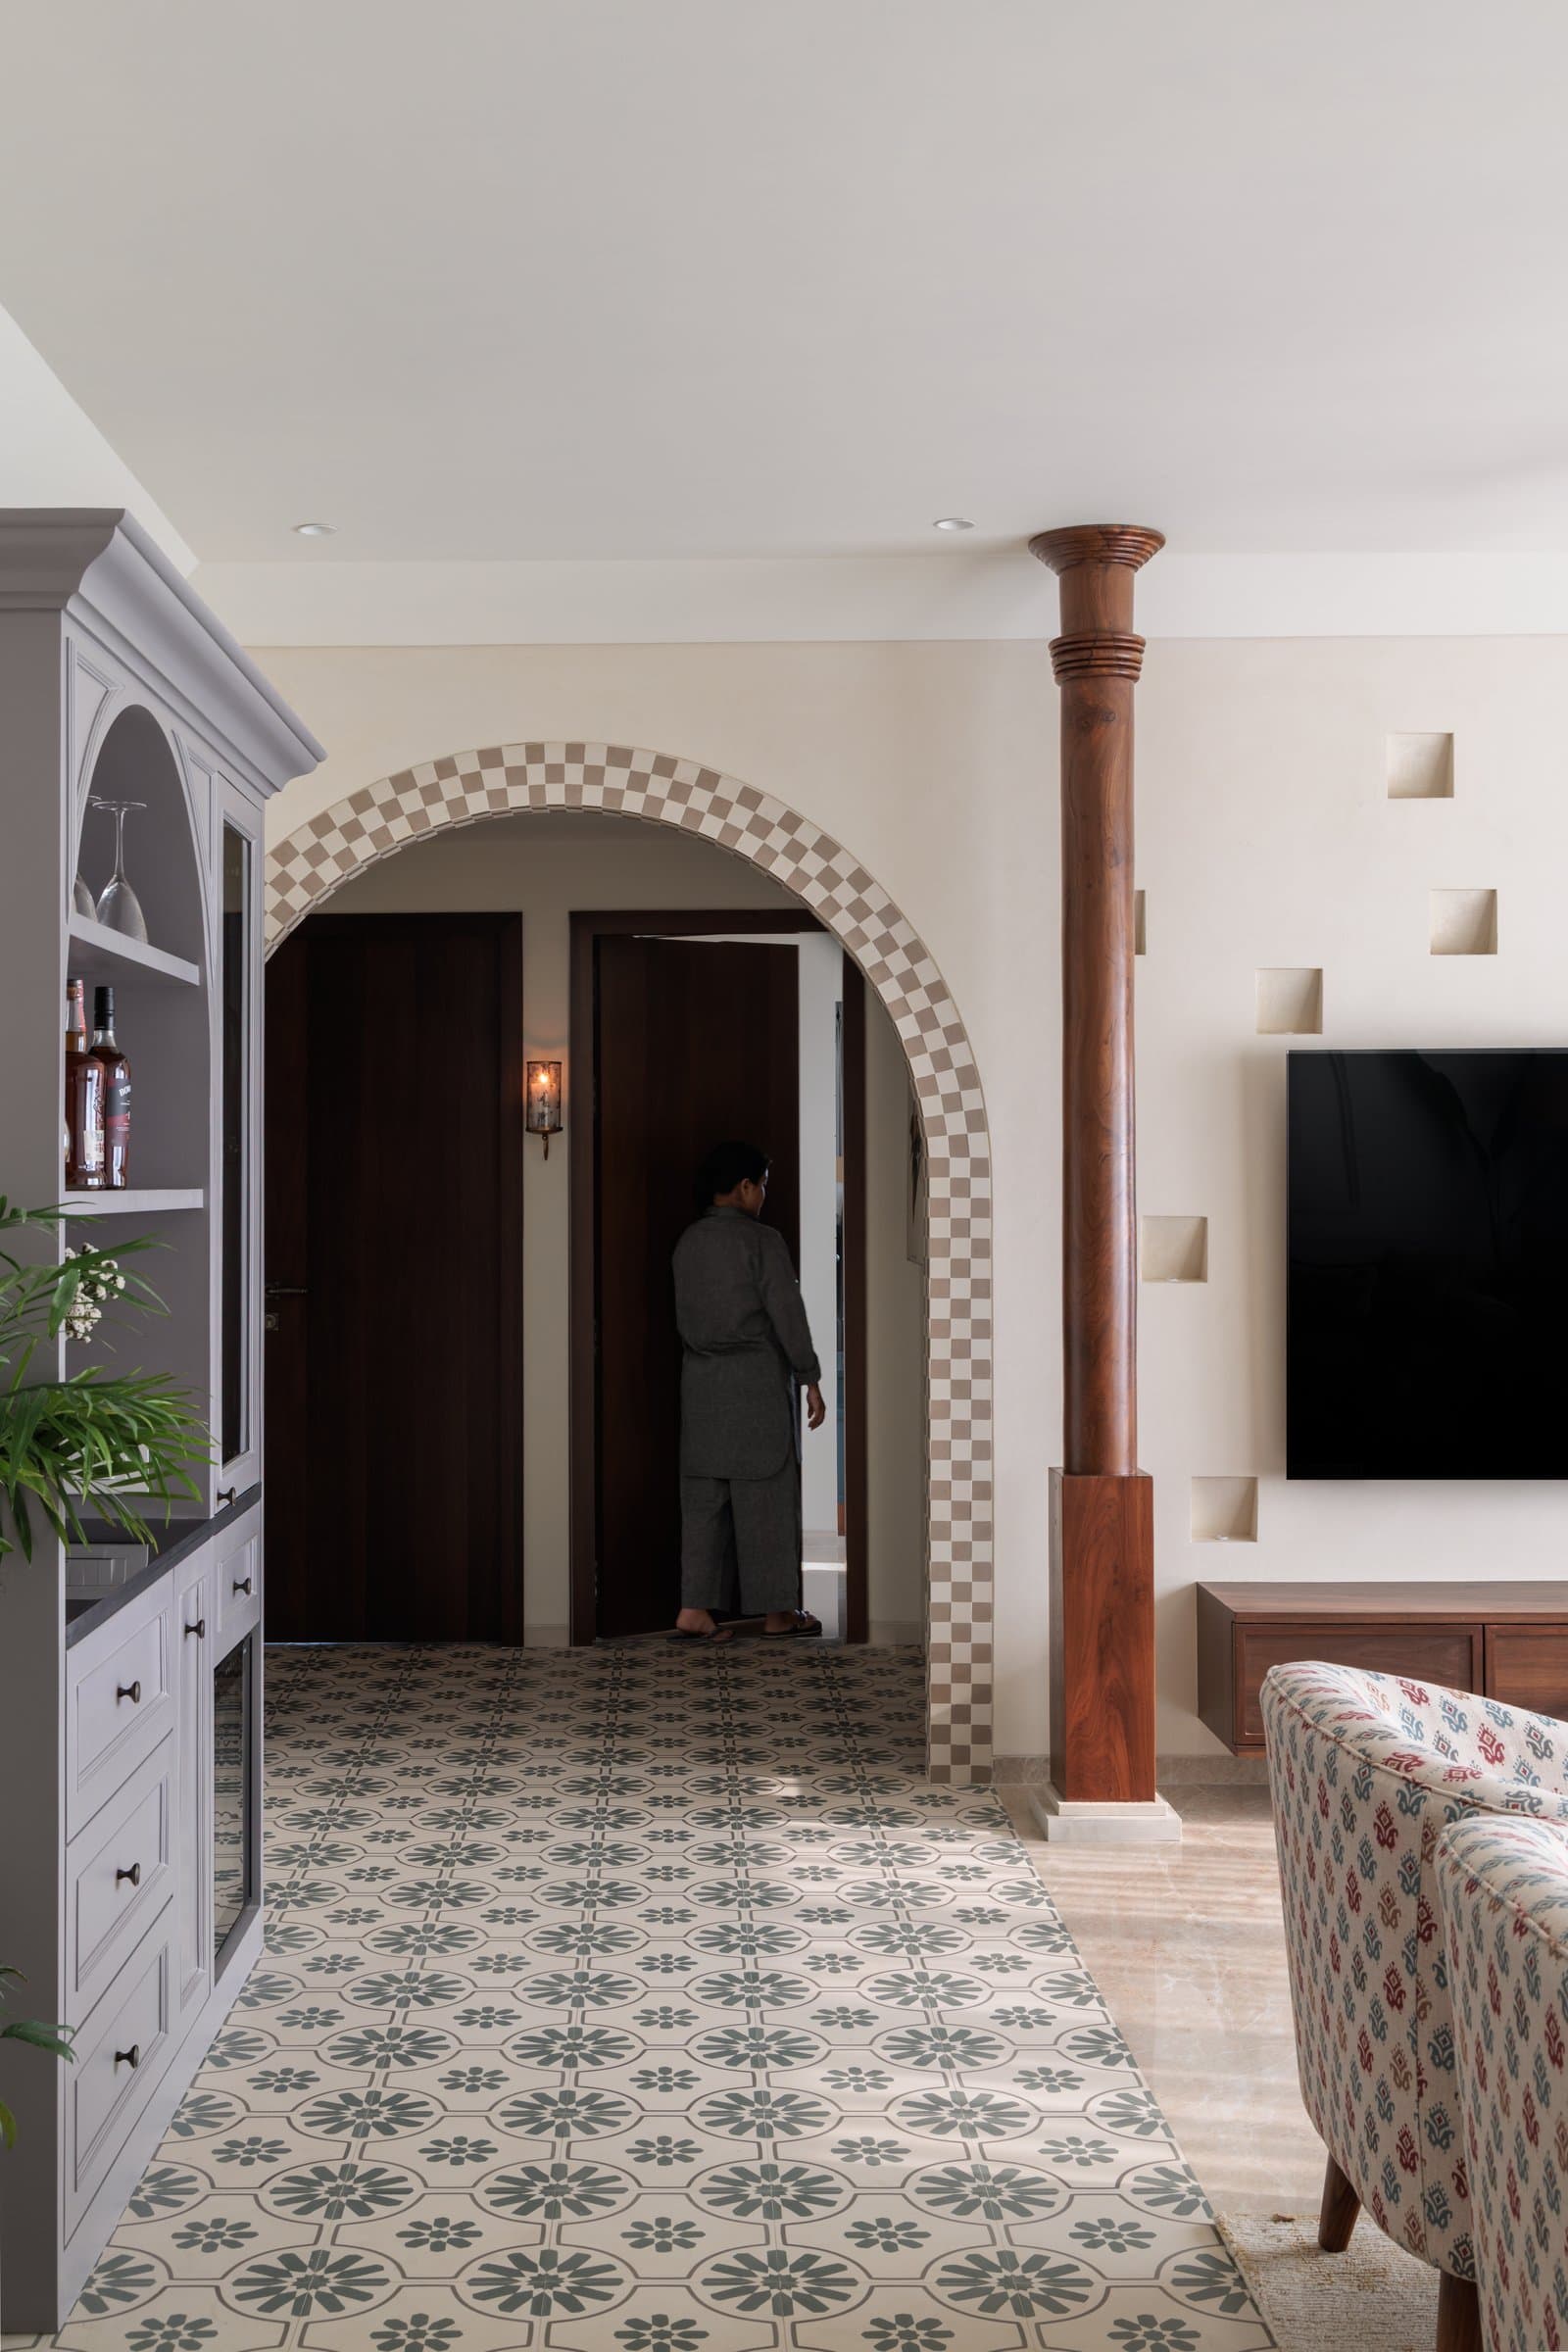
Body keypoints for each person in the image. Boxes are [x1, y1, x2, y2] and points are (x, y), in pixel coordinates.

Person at [670, 1140, 826, 1642]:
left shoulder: (687, 1243)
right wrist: (810, 1377)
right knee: (768, 1500)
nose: (763, 1195)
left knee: (703, 1502)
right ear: (743, 1188)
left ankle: (694, 1610)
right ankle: (779, 1614)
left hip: (700, 1386)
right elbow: (789, 1315)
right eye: (761, 1186)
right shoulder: (763, 1242)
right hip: (756, 1384)